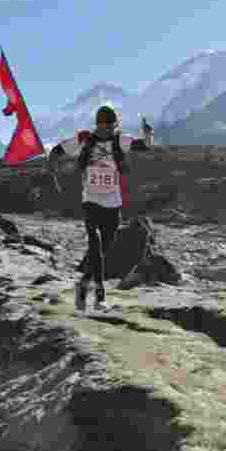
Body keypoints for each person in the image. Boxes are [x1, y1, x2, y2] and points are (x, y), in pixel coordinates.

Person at [47, 106, 154, 312]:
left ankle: (83, 284)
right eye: (103, 125)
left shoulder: (119, 140)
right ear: (98, 124)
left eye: (109, 126)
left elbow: (144, 146)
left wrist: (149, 133)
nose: (106, 129)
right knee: (95, 247)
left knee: (103, 250)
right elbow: (57, 151)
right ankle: (100, 297)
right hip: (91, 201)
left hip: (113, 203)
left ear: (114, 125)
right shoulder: (84, 140)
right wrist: (52, 168)